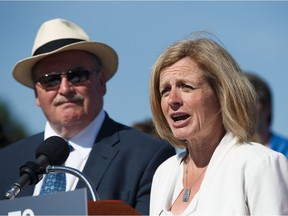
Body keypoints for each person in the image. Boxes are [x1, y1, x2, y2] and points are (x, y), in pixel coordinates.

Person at [0, 18, 175, 214]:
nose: (65, 88)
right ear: (36, 94)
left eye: (77, 76)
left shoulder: (147, 157)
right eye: (51, 80)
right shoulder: (5, 162)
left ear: (101, 82)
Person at [149, 34, 288, 215]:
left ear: (222, 95)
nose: (172, 100)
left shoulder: (259, 164)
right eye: (165, 90)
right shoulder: (164, 173)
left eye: (187, 87)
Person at [245, 72, 288, 158]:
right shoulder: (230, 152)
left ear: (267, 107)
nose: (245, 107)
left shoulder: (285, 150)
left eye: (251, 100)